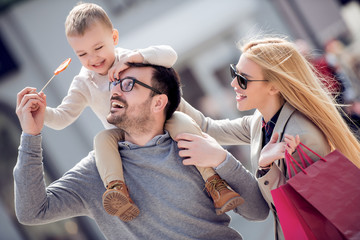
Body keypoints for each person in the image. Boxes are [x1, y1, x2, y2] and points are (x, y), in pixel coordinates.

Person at [14, 62, 269, 239]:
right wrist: (31, 136)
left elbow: (258, 210)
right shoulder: (98, 169)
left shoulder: (195, 147)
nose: (114, 90)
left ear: (158, 102)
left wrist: (222, 159)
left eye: (128, 85)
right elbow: (32, 211)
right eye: (114, 84)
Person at [43, 2, 243, 221]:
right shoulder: (83, 83)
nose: (93, 59)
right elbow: (62, 118)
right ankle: (118, 190)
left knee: (182, 123)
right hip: (126, 134)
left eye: (98, 48)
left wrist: (136, 58)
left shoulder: (130, 59)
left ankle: (215, 183)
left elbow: (170, 55)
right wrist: (41, 111)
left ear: (114, 38)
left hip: (158, 120)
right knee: (102, 140)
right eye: (82, 54)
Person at [174, 36, 360, 240]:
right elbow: (207, 127)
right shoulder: (260, 121)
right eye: (234, 72)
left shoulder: (299, 136)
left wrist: (265, 168)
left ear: (274, 87)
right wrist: (167, 91)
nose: (233, 83)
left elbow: (294, 209)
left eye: (243, 78)